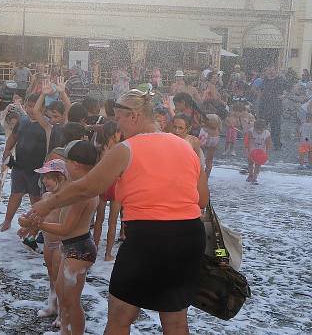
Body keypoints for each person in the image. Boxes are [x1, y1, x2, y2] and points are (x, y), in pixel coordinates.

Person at [29, 89, 209, 335]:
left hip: (148, 237)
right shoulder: (186, 147)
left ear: (134, 116)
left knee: (119, 318)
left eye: (119, 118)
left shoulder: (127, 148)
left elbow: (87, 187)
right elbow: (202, 199)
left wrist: (47, 204)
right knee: (175, 319)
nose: (117, 125)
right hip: (189, 236)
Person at [20, 141, 99, 335]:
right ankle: (65, 331)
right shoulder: (76, 187)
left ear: (75, 164)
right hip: (69, 247)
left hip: (79, 250)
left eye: (65, 161)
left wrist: (35, 225)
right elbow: (53, 212)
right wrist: (33, 222)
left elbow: (65, 228)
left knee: (71, 303)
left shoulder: (83, 193)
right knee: (64, 298)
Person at [0, 90, 54, 232]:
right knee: (15, 194)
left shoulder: (46, 125)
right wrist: (7, 150)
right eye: (28, 106)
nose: (29, 110)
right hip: (19, 165)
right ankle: (7, 221)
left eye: (33, 106)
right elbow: (14, 137)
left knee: (35, 198)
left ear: (42, 108)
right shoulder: (22, 120)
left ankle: (35, 228)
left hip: (37, 169)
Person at [32, 159, 69, 322]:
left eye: (48, 177)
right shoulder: (46, 195)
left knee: (60, 278)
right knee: (51, 275)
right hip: (48, 241)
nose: (44, 181)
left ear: (60, 178)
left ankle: (63, 311)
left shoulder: (66, 198)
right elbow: (38, 213)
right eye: (44, 177)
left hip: (61, 242)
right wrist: (28, 227)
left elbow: (65, 224)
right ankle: (51, 304)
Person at [92, 120, 124, 261]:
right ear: (114, 134)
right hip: (116, 186)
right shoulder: (121, 149)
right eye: (119, 132)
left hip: (102, 186)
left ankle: (94, 249)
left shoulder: (101, 149)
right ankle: (108, 254)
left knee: (99, 220)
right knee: (113, 222)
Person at [0, 101, 22, 201]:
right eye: (11, 123)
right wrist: (7, 107)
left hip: (18, 156)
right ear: (9, 122)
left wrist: (20, 108)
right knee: (3, 175)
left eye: (15, 124)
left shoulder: (21, 129)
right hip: (8, 155)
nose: (13, 125)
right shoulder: (7, 128)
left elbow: (26, 117)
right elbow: (2, 117)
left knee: (16, 178)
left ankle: (14, 196)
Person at [257, 67, 287, 149]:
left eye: (272, 70)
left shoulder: (280, 80)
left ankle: (277, 144)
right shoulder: (265, 80)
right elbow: (260, 91)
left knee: (276, 127)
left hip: (276, 107)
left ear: (276, 71)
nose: (271, 71)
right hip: (265, 106)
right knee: (263, 125)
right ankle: (261, 142)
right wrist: (259, 101)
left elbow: (286, 90)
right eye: (269, 70)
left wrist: (283, 96)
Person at [246, 118, 271, 183]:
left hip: (261, 151)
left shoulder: (267, 133)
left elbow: (268, 144)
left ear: (264, 128)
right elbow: (249, 142)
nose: (259, 131)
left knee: (258, 165)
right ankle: (250, 174)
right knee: (250, 163)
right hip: (252, 149)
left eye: (261, 130)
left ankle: (255, 177)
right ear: (254, 127)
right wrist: (249, 152)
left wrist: (267, 154)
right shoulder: (251, 131)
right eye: (257, 130)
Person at [199, 114, 221, 178]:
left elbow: (201, 142)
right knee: (209, 160)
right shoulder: (217, 130)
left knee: (200, 158)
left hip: (204, 142)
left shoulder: (205, 129)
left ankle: (200, 175)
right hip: (214, 142)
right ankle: (206, 177)